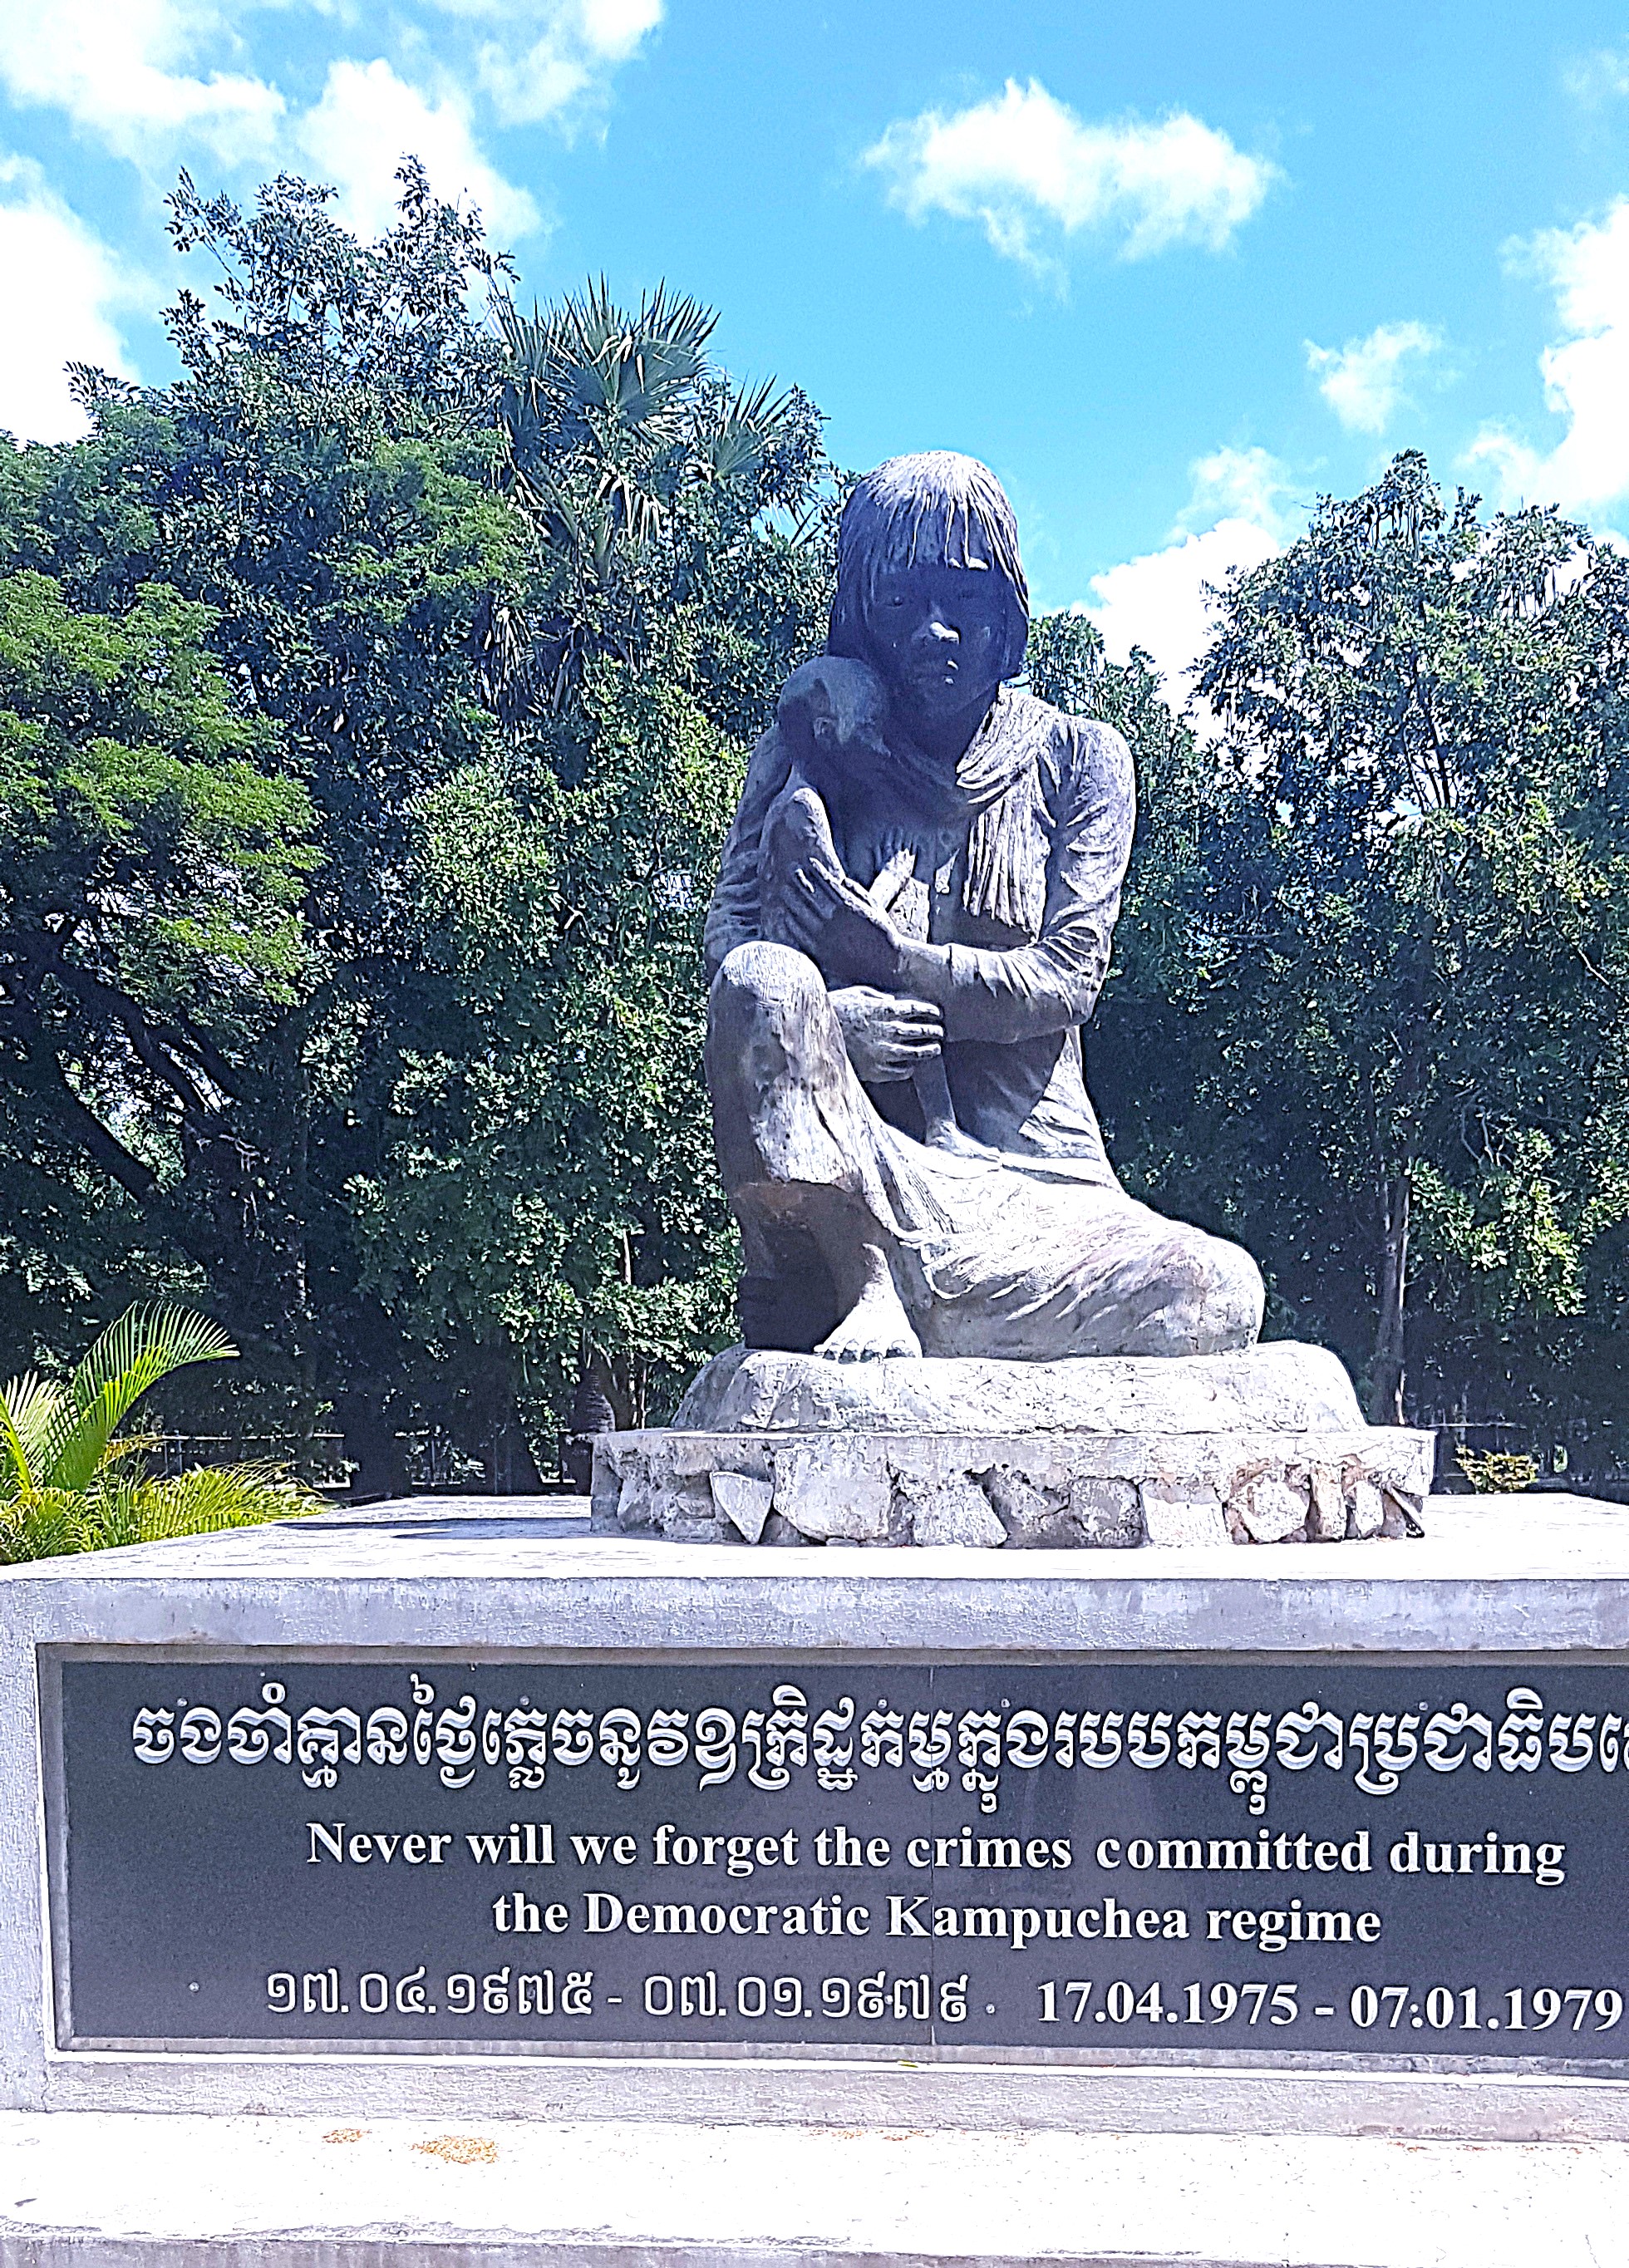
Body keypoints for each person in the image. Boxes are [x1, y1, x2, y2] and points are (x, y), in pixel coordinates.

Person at [703, 450, 1264, 1364]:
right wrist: (829, 1029)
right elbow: (733, 947)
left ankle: (940, 1309)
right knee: (761, 980)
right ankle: (865, 1279)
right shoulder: (813, 749)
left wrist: (893, 960)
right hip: (858, 1161)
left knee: (1213, 1289)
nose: (935, 631)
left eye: (962, 599)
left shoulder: (1080, 759)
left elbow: (1068, 976)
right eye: (901, 603)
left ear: (1006, 612)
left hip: (1037, 1194)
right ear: (861, 615)